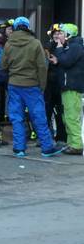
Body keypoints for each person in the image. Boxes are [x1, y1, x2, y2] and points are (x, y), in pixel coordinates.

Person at [0, 17, 65, 158]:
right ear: (28, 27)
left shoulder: (9, 43)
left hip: (14, 85)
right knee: (38, 116)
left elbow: (3, 65)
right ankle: (46, 148)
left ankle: (19, 148)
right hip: (32, 85)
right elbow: (42, 67)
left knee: (17, 117)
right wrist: (42, 86)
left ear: (15, 28)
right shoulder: (35, 43)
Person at [51, 23, 84, 155]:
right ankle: (72, 144)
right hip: (67, 86)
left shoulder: (75, 47)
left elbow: (66, 61)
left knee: (71, 117)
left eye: (61, 33)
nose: (59, 36)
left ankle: (76, 145)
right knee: (67, 117)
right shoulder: (71, 46)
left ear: (68, 35)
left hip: (72, 87)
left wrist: (59, 50)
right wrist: (57, 61)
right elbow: (64, 62)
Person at [45, 24, 67, 142]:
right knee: (47, 111)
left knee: (60, 112)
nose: (57, 36)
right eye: (55, 34)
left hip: (61, 84)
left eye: (59, 33)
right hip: (49, 84)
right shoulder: (47, 46)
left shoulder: (67, 47)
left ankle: (61, 137)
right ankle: (46, 137)